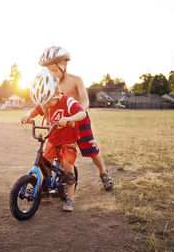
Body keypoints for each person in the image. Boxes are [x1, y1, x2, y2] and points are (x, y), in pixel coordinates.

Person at [38, 46, 114, 191]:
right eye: (48, 70)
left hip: (79, 119)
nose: (51, 73)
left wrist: (74, 115)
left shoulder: (76, 80)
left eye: (53, 69)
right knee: (58, 150)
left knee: (91, 149)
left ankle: (103, 173)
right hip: (61, 122)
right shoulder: (50, 84)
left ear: (64, 65)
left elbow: (85, 101)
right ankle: (55, 183)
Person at [21, 68, 87, 212]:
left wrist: (70, 118)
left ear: (56, 93)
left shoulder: (68, 101)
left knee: (68, 167)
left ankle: (70, 198)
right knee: (46, 162)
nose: (45, 106)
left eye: (47, 102)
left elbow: (82, 113)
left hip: (68, 139)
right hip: (52, 138)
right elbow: (36, 109)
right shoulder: (46, 101)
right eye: (42, 103)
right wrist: (28, 115)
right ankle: (45, 188)